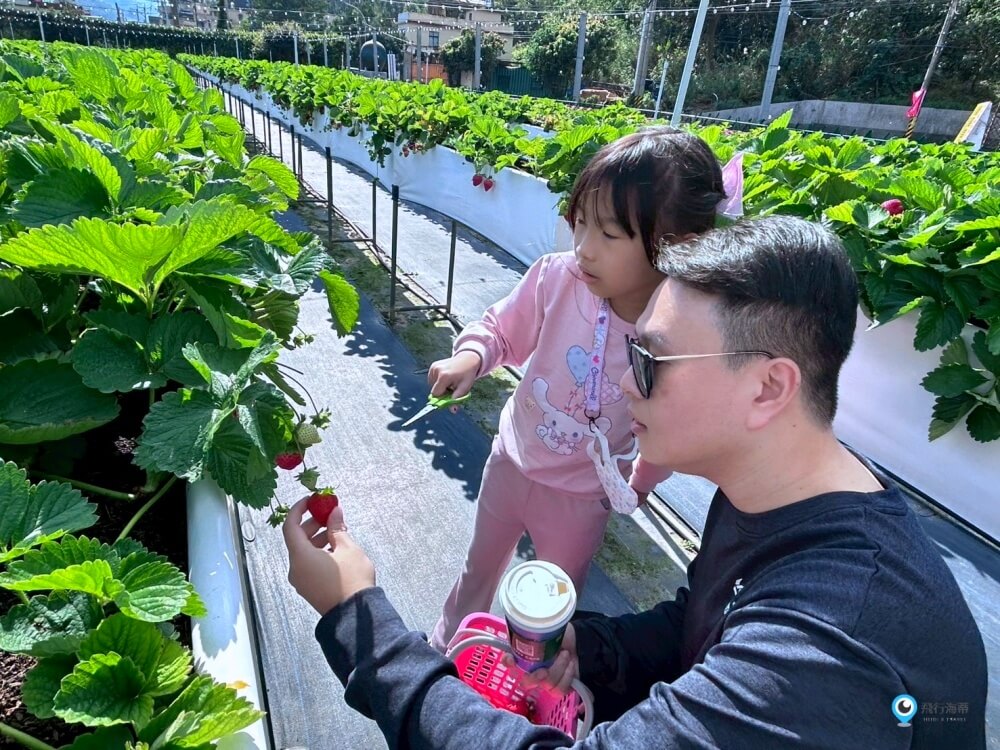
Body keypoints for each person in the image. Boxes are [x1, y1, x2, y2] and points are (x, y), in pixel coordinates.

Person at [283, 215, 987, 749]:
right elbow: (703, 621)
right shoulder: (781, 497)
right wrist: (589, 649)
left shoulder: (825, 647)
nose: (624, 379)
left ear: (769, 388)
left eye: (651, 359)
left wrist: (358, 619)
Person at [424, 126, 731, 652]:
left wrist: (638, 483)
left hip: (581, 497)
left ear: (675, 246)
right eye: (580, 224)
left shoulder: (674, 335)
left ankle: (528, 689)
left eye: (609, 236)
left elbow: (665, 424)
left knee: (547, 610)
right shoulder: (556, 279)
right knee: (478, 571)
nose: (584, 249)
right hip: (511, 462)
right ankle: (443, 654)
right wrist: (470, 357)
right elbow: (501, 328)